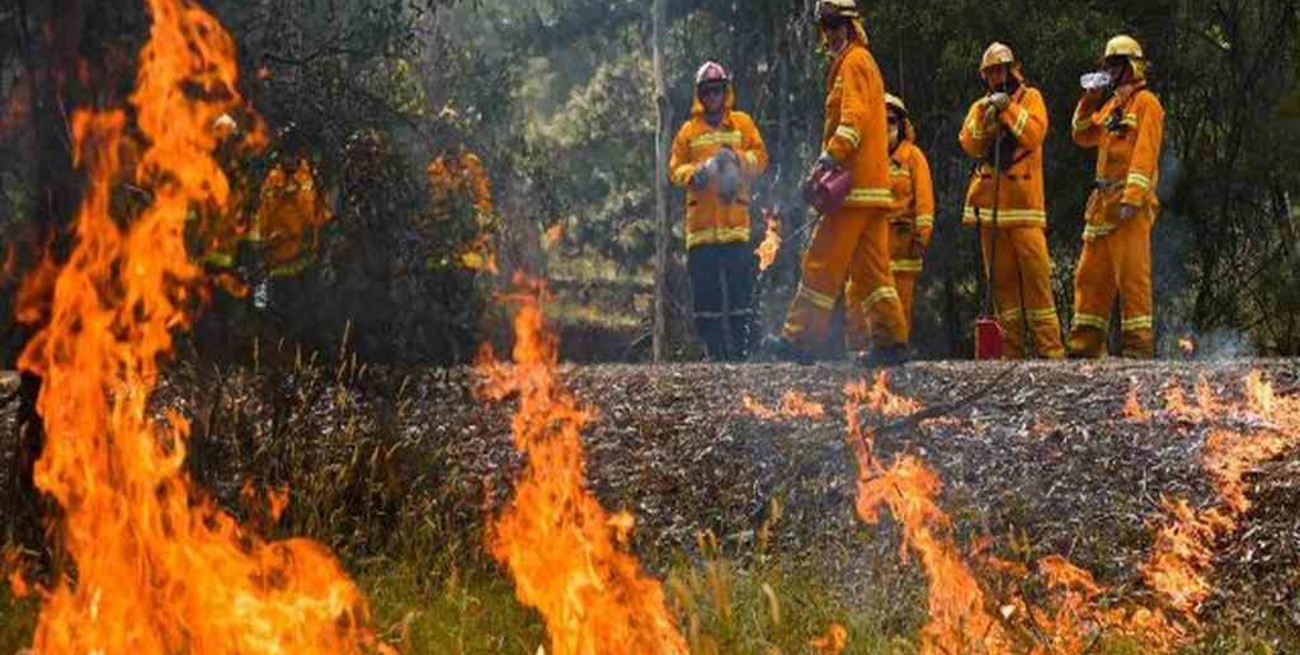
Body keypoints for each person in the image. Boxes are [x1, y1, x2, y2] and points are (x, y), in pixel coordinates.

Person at [772, 0, 908, 367]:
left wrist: (829, 157)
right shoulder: (855, 62)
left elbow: (853, 120)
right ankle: (892, 342)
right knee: (874, 272)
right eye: (826, 25)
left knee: (820, 262)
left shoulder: (855, 62)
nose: (829, 33)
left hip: (853, 191)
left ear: (850, 26)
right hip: (870, 191)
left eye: (835, 24)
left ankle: (798, 340)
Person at [958, 42, 1065, 360]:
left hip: (1025, 210)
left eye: (1000, 70)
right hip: (991, 211)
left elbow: (1033, 135)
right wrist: (989, 116)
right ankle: (1012, 351)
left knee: (1037, 281)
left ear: (1012, 68)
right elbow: (971, 144)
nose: (995, 77)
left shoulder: (1031, 98)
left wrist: (1008, 108)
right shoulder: (980, 106)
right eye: (989, 72)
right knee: (1003, 287)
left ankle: (1051, 352)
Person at [1067, 35, 1165, 358]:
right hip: (1102, 207)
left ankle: (1138, 353)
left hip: (1128, 209)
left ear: (1131, 67)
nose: (1109, 70)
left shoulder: (1146, 103)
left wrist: (1132, 198)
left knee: (1133, 281)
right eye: (1107, 65)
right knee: (1089, 278)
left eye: (1115, 64)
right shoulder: (1112, 105)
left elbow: (1145, 154)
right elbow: (1082, 134)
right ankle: (1083, 351)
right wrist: (1089, 99)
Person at [669, 61, 769, 360]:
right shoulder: (688, 131)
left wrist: (737, 158)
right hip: (701, 232)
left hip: (735, 225)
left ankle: (742, 351)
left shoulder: (742, 124)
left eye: (717, 90)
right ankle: (715, 353)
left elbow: (761, 158)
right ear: (699, 94)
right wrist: (693, 173)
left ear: (726, 92)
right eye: (707, 91)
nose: (712, 96)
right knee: (706, 298)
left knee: (741, 294)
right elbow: (675, 168)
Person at [845, 93, 933, 350]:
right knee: (856, 303)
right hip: (867, 249)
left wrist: (922, 236)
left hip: (902, 249)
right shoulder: (864, 158)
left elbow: (925, 202)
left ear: (902, 124)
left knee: (898, 310)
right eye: (880, 122)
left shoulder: (913, 158)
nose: (886, 127)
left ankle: (895, 360)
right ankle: (858, 358)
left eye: (891, 121)